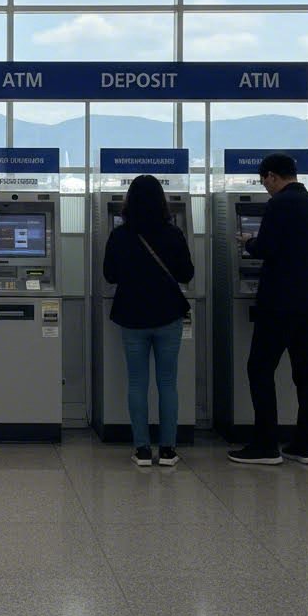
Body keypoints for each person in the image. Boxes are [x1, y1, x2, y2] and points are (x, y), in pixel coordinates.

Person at [228, 153, 308, 466]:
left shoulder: (279, 205)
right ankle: (304, 444)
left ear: (272, 176)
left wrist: (248, 241)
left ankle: (266, 444)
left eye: (264, 181)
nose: (265, 187)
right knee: (305, 372)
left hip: (279, 303)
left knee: (259, 369)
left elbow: (267, 248)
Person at [102, 174, 194, 466]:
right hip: (168, 315)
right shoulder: (174, 233)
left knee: (137, 382)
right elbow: (186, 274)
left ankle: (142, 449)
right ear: (162, 201)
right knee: (168, 383)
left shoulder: (119, 235)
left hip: (132, 316)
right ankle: (168, 449)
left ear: (129, 201)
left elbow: (109, 275)